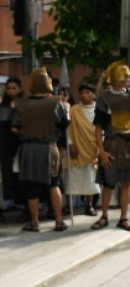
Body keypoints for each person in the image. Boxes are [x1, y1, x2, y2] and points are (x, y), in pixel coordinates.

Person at [11, 68, 70, 232]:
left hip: (29, 148)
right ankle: (59, 221)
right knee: (54, 184)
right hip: (50, 148)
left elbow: (14, 128)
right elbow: (64, 125)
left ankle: (35, 223)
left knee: (32, 186)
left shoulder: (22, 104)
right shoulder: (56, 103)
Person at [93, 60, 130, 232]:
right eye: (125, 76)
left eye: (128, 76)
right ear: (117, 77)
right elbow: (98, 128)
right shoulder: (105, 98)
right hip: (111, 144)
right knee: (108, 183)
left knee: (127, 182)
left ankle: (124, 218)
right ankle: (104, 216)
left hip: (128, 145)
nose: (128, 79)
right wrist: (102, 151)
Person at [65, 83, 100, 217]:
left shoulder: (98, 110)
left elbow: (100, 129)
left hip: (92, 147)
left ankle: (89, 205)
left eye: (87, 92)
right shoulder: (73, 110)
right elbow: (68, 129)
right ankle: (68, 206)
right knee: (71, 177)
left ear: (93, 94)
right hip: (75, 148)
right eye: (82, 92)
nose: (84, 95)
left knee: (90, 178)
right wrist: (70, 144)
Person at [0, 77, 24, 216]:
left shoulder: (26, 105)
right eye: (8, 88)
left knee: (21, 173)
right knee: (6, 174)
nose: (11, 91)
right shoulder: (2, 106)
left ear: (20, 89)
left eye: (14, 88)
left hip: (22, 143)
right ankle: (7, 202)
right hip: (5, 146)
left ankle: (23, 205)